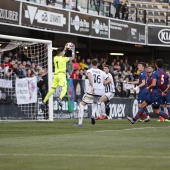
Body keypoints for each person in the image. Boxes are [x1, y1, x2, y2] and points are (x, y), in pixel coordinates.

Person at [127, 59, 170, 124]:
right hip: (157, 93)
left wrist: (148, 87)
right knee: (143, 105)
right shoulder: (165, 74)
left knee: (156, 111)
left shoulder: (155, 73)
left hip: (155, 93)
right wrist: (167, 90)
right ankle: (134, 120)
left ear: (156, 65)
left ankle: (169, 118)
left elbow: (154, 84)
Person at [74, 59, 110, 127]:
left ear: (91, 64)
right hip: (100, 91)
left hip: (92, 90)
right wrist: (103, 83)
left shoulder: (89, 70)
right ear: (97, 64)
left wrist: (92, 86)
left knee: (82, 104)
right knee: (95, 102)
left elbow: (90, 76)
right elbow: (109, 80)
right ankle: (93, 115)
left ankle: (80, 122)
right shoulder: (102, 72)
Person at [41, 42, 75, 110]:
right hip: (61, 75)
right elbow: (73, 57)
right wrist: (73, 50)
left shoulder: (55, 58)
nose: (64, 53)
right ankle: (60, 98)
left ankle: (44, 102)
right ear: (61, 53)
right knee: (65, 88)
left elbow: (62, 53)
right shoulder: (64, 59)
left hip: (56, 75)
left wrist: (65, 48)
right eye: (63, 52)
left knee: (52, 90)